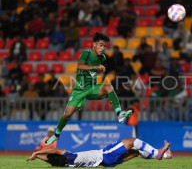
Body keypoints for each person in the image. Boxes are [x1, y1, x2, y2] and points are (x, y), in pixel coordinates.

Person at [45, 32, 133, 146]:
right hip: (79, 90)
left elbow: (95, 70)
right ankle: (56, 135)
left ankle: (119, 113)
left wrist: (100, 70)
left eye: (104, 46)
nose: (102, 48)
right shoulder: (86, 53)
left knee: (108, 87)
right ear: (94, 44)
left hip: (92, 88)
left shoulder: (103, 58)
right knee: (67, 114)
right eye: (100, 45)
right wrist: (96, 67)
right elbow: (80, 66)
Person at [28, 137, 173, 167]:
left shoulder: (65, 164)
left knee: (135, 152)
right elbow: (53, 150)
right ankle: (157, 152)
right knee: (132, 141)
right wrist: (35, 154)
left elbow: (50, 158)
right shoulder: (69, 155)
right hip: (105, 155)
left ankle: (164, 155)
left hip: (106, 163)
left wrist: (38, 156)